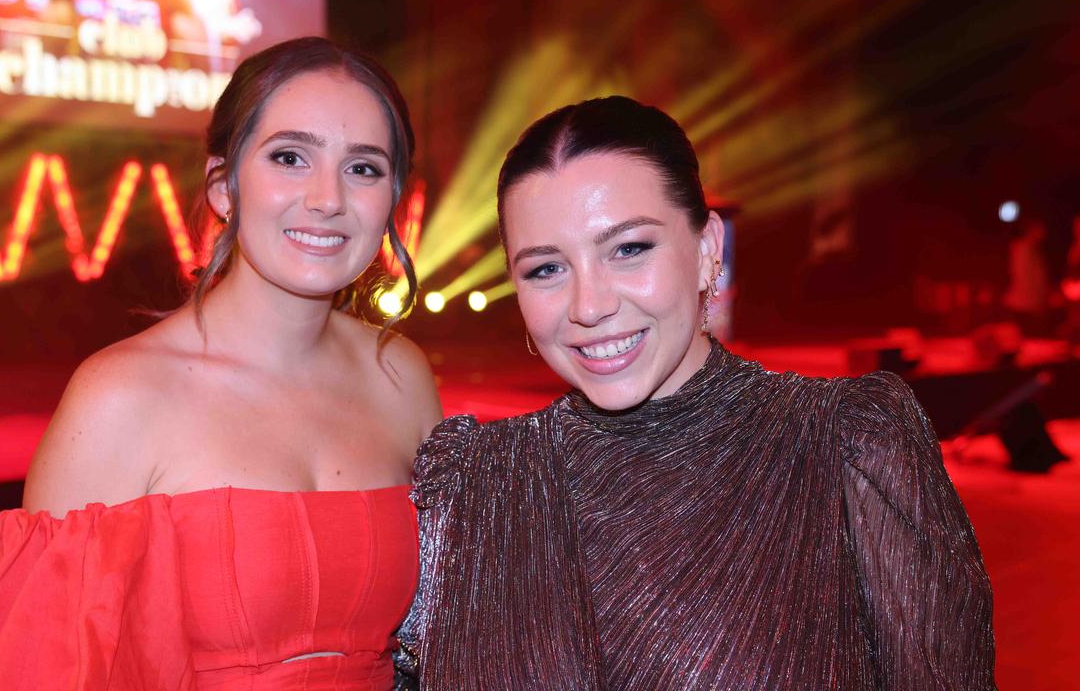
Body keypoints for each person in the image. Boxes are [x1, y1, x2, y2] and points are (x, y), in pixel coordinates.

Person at [0, 37, 441, 690]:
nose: (327, 198)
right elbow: (46, 664)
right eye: (290, 157)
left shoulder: (400, 377)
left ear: (392, 199)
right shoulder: (119, 397)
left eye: (364, 168)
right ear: (223, 187)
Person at [397, 96, 996, 689]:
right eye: (546, 269)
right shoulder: (473, 484)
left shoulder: (844, 447)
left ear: (708, 248)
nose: (589, 306)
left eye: (629, 249)